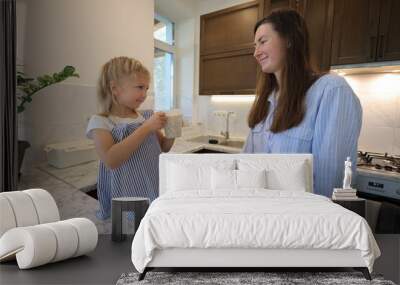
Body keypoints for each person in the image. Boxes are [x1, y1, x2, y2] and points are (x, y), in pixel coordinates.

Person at [242, 9, 362, 197]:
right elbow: (246, 164)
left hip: (304, 221)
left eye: (263, 42)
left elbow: (331, 182)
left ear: (289, 40)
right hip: (262, 216)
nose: (256, 53)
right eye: (255, 45)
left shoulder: (331, 91)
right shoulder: (266, 101)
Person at [86, 56, 174, 220]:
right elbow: (111, 160)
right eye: (140, 87)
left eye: (147, 88)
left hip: (151, 183)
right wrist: (147, 127)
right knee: (129, 231)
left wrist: (173, 130)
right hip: (126, 191)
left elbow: (163, 147)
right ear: (115, 89)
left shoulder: (146, 116)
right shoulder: (101, 122)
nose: (144, 94)